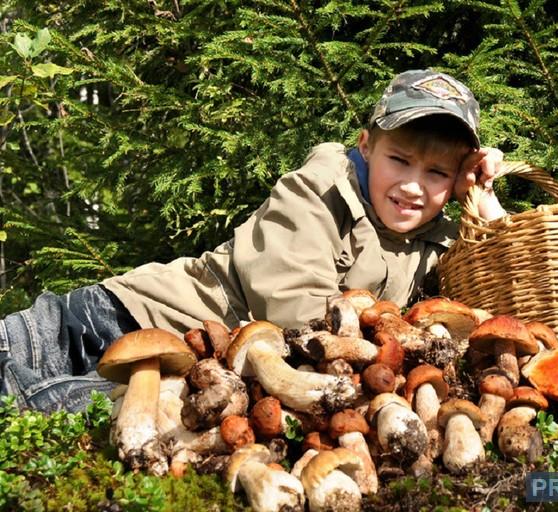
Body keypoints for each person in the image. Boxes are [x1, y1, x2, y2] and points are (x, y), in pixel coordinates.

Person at [0, 69, 507, 412]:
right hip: (120, 320)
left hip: (184, 369)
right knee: (20, 384)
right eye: (399, 160)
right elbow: (297, 316)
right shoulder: (318, 189)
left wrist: (484, 200)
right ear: (367, 146)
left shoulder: (435, 234)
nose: (414, 185)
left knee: (58, 411)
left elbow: (505, 289)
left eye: (438, 171)